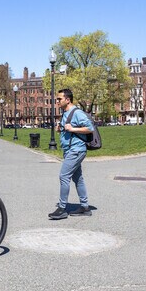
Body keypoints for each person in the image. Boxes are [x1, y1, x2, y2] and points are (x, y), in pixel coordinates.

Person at [48, 88, 94, 220]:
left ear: (67, 100)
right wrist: (61, 129)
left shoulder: (77, 113)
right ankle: (85, 207)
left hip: (76, 150)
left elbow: (89, 128)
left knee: (64, 176)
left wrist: (72, 128)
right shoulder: (66, 113)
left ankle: (62, 208)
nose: (57, 101)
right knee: (78, 178)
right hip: (70, 150)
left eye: (59, 99)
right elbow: (68, 130)